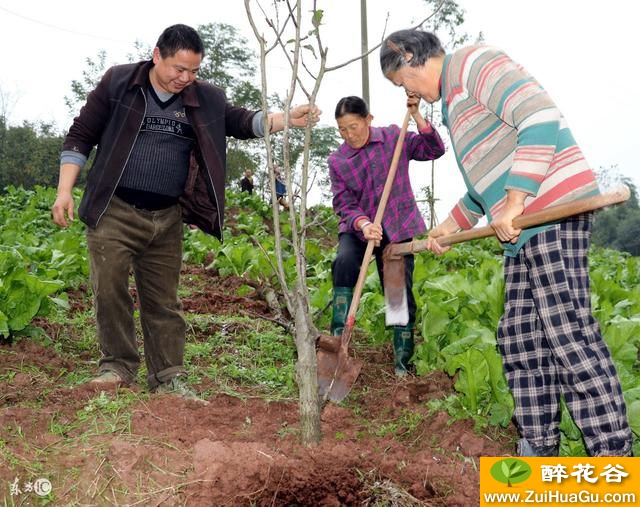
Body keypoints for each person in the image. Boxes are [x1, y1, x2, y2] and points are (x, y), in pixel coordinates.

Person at [380, 29, 632, 456]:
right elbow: (483, 189)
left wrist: (515, 199)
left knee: (568, 335)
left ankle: (612, 456)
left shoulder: (474, 64)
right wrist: (447, 227)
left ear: (409, 57)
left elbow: (538, 115)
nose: (407, 91)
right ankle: (538, 447)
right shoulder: (455, 105)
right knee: (520, 339)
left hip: (550, 210)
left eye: (401, 80)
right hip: (520, 228)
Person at [51, 24, 320, 399]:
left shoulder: (203, 97)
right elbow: (80, 134)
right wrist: (65, 191)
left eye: (194, 71)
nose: (185, 78)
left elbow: (241, 122)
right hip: (115, 210)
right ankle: (117, 367)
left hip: (166, 216)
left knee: (164, 300)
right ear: (157, 54)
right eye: (179, 69)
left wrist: (285, 119)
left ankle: (167, 376)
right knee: (110, 289)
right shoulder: (119, 83)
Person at [328, 95, 445, 376]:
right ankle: (336, 346)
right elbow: (342, 201)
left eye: (354, 126)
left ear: (369, 119)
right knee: (343, 262)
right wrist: (364, 223)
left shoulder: (394, 137)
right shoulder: (338, 160)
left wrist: (417, 116)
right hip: (360, 230)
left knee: (396, 290)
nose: (349, 134)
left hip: (397, 226)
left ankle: (402, 365)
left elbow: (434, 149)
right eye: (342, 129)